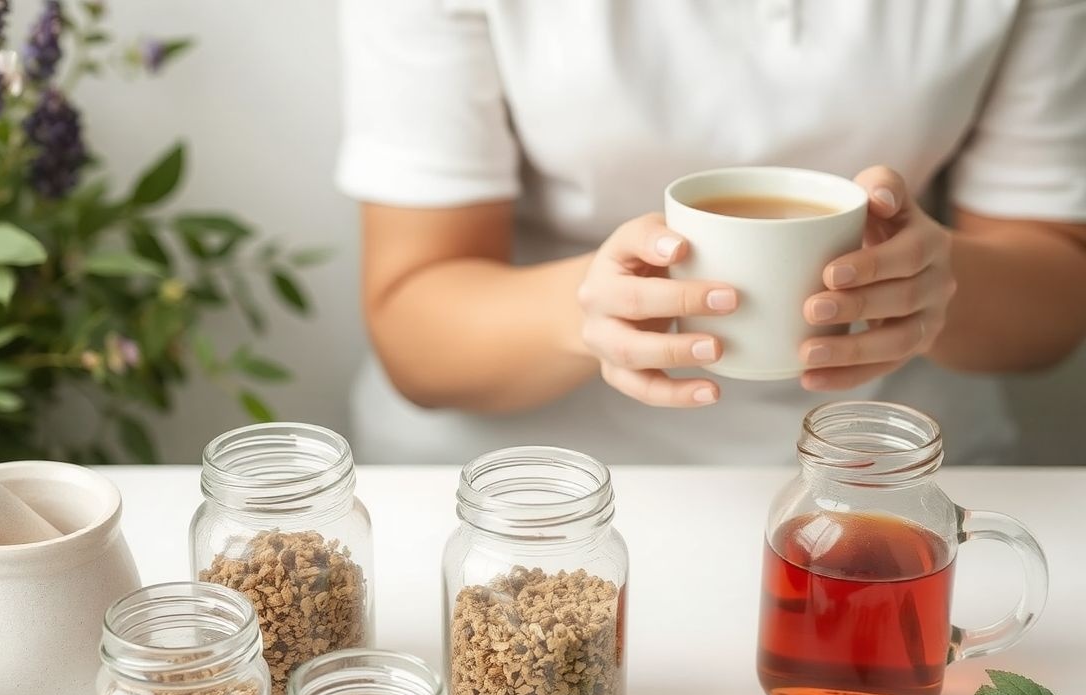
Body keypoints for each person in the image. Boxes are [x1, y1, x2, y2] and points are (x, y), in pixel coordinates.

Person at [335, 0, 1086, 465]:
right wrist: (592, 312)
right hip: (521, 486)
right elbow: (415, 328)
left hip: (887, 471)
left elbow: (1055, 301)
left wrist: (936, 286)